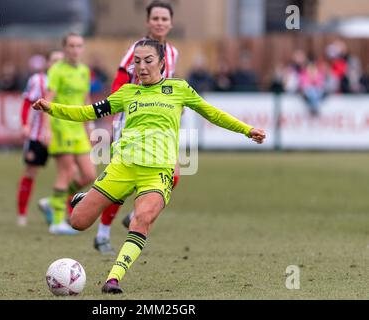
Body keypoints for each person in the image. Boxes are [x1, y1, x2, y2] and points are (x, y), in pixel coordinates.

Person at [32, 39, 266, 294]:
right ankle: (85, 198)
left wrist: (247, 130)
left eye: (148, 60)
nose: (141, 67)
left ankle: (113, 278)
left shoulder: (179, 89)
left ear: (162, 63)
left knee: (142, 219)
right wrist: (50, 107)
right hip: (123, 167)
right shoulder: (127, 93)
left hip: (157, 173)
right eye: (137, 61)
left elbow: (213, 113)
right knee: (78, 221)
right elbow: (88, 112)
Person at [94, 0, 179, 255]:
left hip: (160, 127)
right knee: (123, 183)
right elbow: (119, 83)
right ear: (147, 22)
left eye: (164, 19)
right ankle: (102, 234)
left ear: (170, 23)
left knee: (173, 176)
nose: (160, 23)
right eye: (155, 18)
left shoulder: (173, 53)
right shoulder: (137, 49)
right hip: (130, 124)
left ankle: (134, 213)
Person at [38, 33, 97, 235]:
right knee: (67, 172)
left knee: (89, 174)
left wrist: (90, 127)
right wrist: (46, 129)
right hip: (60, 126)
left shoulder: (84, 71)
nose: (75, 49)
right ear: (64, 48)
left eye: (79, 45)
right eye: (71, 46)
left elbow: (86, 100)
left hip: (79, 127)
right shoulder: (56, 70)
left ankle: (54, 201)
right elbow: (48, 99)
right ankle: (56, 222)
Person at [16, 51, 63, 226]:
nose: (58, 64)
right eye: (54, 61)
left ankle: (57, 209)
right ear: (48, 64)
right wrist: (24, 124)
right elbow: (27, 102)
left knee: (70, 173)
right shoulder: (38, 80)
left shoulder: (68, 80)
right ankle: (22, 213)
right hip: (38, 136)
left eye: (61, 61)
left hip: (62, 135)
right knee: (30, 172)